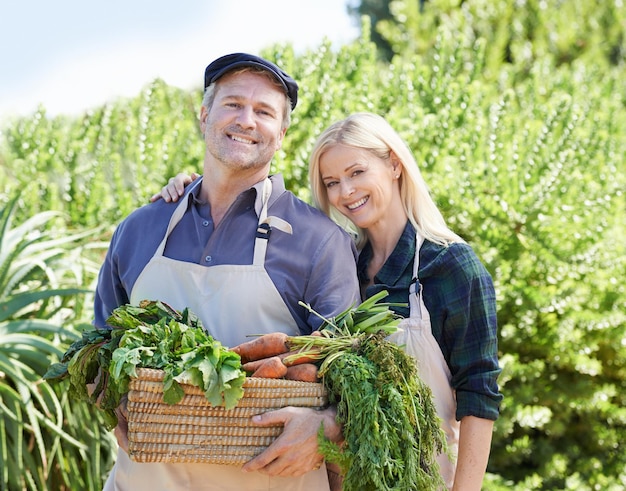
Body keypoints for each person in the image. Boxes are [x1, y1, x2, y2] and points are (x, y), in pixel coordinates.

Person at [159, 112, 504, 490]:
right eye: (332, 182)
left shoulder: (449, 265)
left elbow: (479, 393)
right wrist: (198, 191)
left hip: (419, 478)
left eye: (357, 172)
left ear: (393, 164)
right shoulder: (342, 264)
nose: (346, 192)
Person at [94, 52, 361, 491]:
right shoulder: (140, 229)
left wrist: (326, 426)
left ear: (282, 133)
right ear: (204, 116)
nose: (247, 120)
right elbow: (101, 347)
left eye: (264, 112)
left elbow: (351, 379)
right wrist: (109, 402)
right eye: (233, 104)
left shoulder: (319, 241)